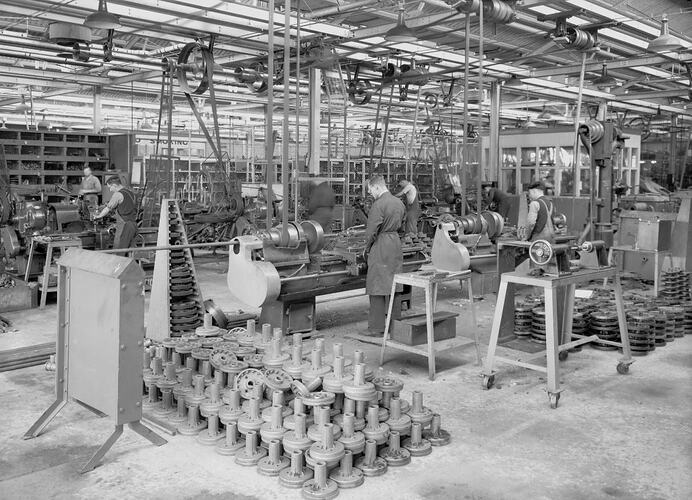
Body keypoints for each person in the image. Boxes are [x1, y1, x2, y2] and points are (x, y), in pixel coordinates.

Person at [362, 175, 405, 336]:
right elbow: (404, 227)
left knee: (377, 285)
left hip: (381, 245)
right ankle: (396, 327)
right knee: (395, 285)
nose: (370, 193)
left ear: (377, 187)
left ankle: (376, 328)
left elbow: (371, 231)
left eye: (370, 190)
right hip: (395, 244)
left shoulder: (378, 204)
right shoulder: (399, 203)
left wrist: (365, 248)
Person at [94, 176, 138, 251]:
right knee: (130, 250)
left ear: (114, 185)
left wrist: (98, 216)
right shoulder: (132, 193)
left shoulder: (117, 194)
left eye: (110, 187)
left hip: (124, 225)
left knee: (118, 250)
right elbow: (128, 207)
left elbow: (108, 208)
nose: (110, 190)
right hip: (133, 225)